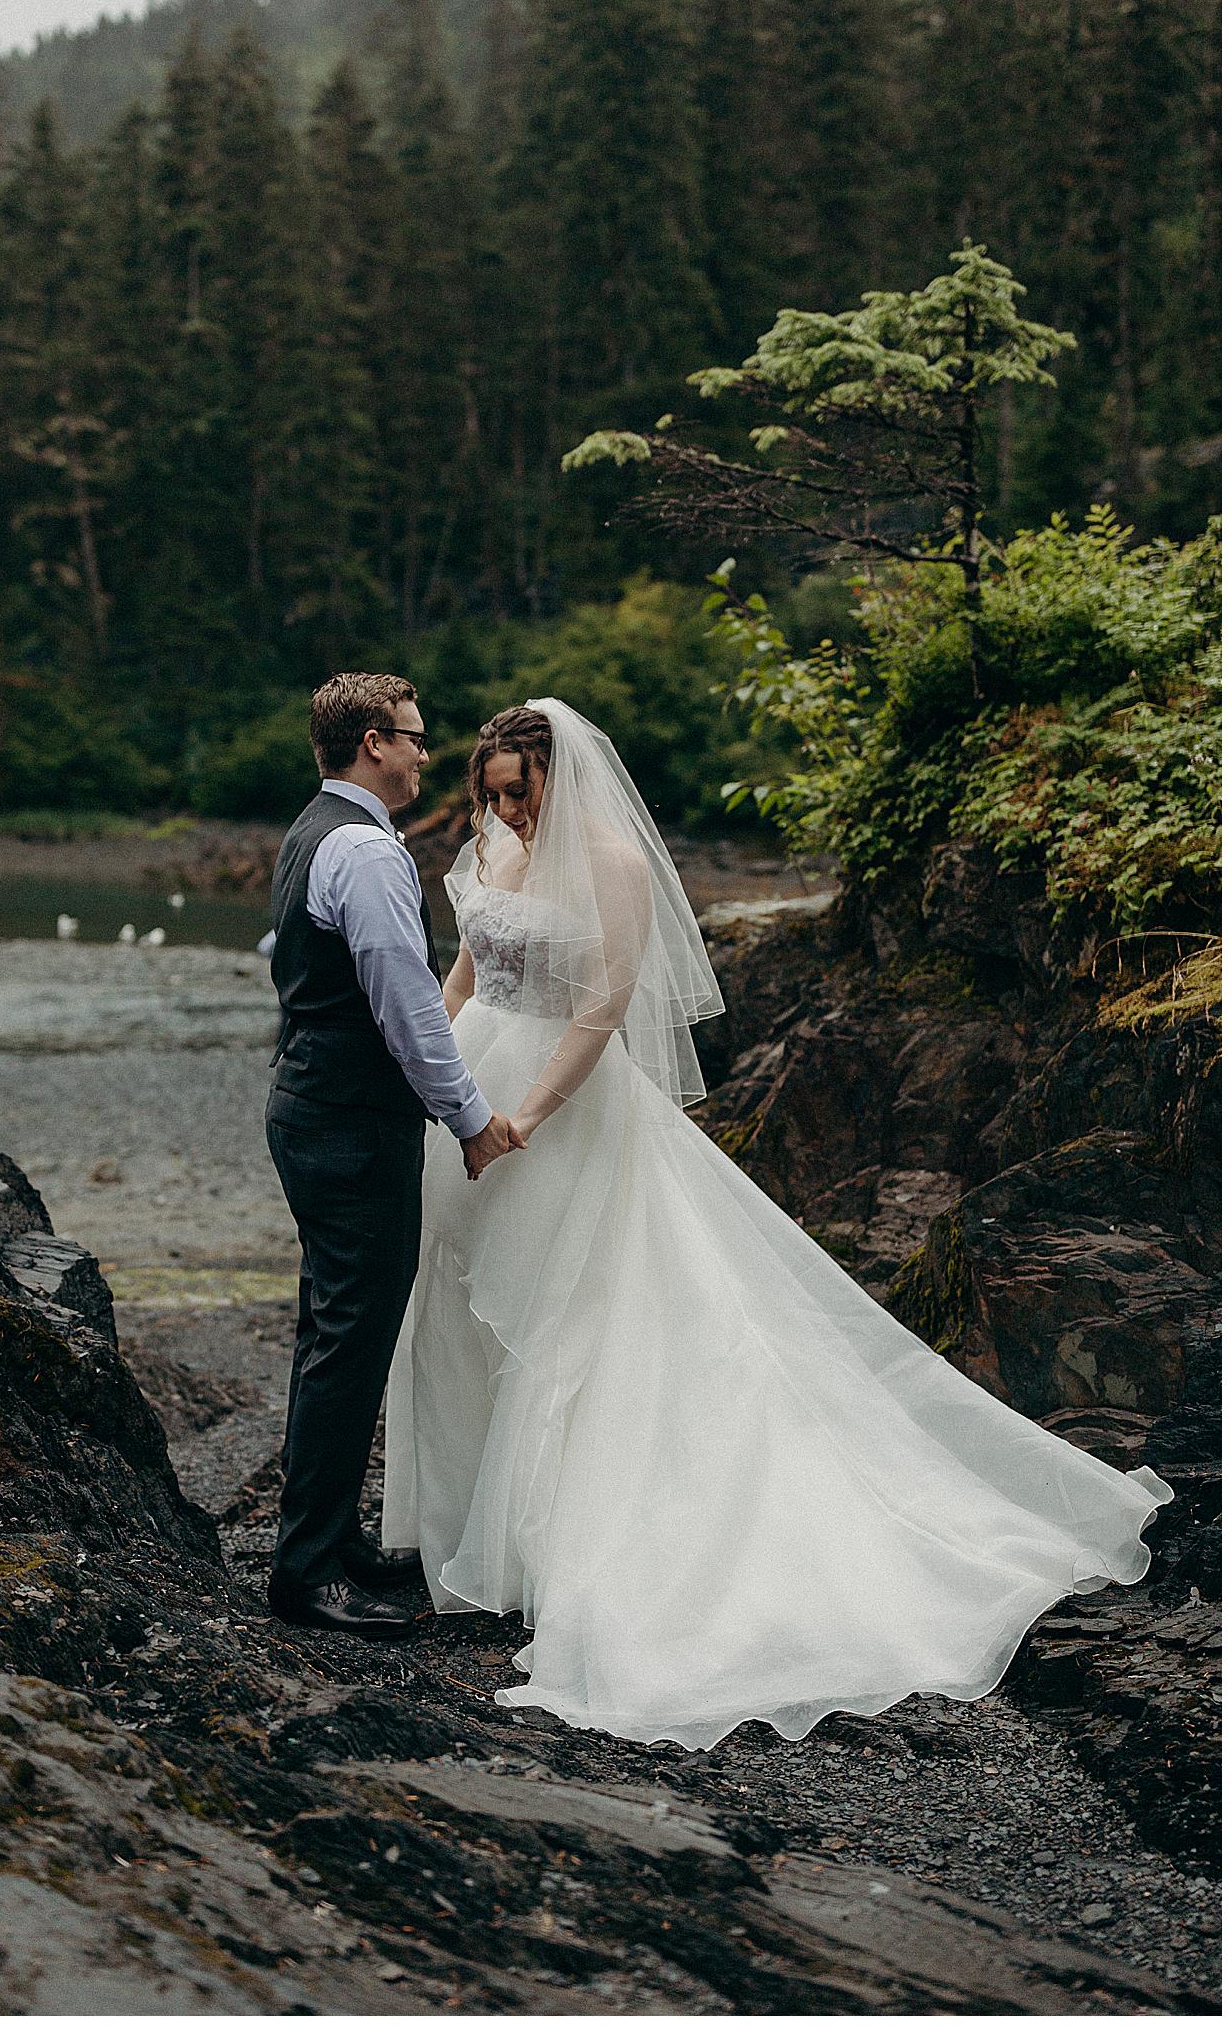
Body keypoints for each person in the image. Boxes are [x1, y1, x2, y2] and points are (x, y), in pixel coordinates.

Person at [382, 697, 1174, 1746]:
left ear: (558, 778)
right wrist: (437, 1073)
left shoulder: (612, 863)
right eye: (492, 798)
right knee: (460, 1296)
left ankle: (571, 1549)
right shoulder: (495, 842)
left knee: (575, 1317)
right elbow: (466, 969)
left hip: (560, 1108)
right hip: (477, 1075)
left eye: (519, 796)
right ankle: (473, 1543)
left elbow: (602, 1006)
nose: (507, 816)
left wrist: (524, 1117)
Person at [263, 673, 524, 1641]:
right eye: (416, 738)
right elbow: (404, 1003)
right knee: (347, 1341)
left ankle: (327, 1541)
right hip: (346, 1121)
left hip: (313, 1105)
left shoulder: (310, 830)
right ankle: (304, 1573)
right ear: (375, 740)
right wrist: (467, 1115)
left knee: (333, 1331)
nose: (425, 754)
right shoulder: (367, 849)